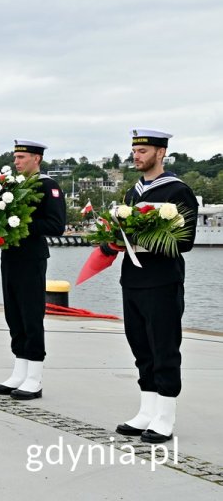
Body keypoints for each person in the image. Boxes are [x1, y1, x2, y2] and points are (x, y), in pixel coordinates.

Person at [105, 129, 198, 444]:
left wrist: (143, 236)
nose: (137, 156)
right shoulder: (132, 192)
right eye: (134, 151)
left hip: (162, 281)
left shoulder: (177, 191)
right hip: (132, 279)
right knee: (140, 347)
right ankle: (146, 410)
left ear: (161, 153)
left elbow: (185, 241)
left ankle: (165, 417)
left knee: (164, 348)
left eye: (143, 151)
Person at [0, 139, 66, 400]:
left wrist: (21, 222)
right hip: (11, 257)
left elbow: (56, 225)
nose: (16, 161)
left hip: (32, 258)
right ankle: (19, 372)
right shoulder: (14, 186)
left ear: (36, 159)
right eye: (15, 157)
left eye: (21, 157)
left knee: (31, 316)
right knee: (14, 315)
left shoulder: (48, 186)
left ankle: (34, 377)